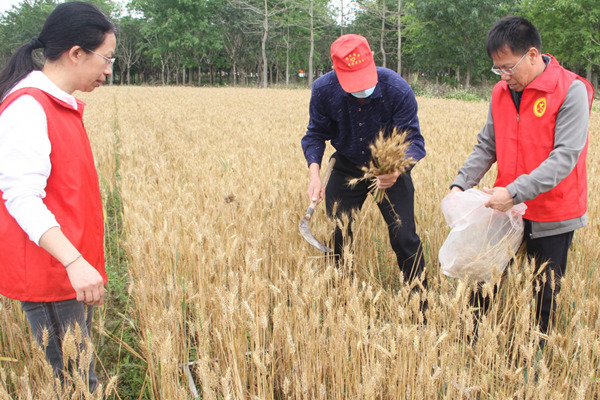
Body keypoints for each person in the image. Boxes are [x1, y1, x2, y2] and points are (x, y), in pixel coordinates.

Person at [450, 16, 594, 341]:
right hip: (507, 211)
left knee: (543, 294)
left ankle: (532, 363)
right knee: (483, 281)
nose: (503, 76)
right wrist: (460, 184)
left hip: (553, 213)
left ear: (532, 54)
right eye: (496, 69)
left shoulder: (570, 90)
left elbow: (564, 158)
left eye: (508, 67)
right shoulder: (501, 92)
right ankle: (470, 345)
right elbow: (488, 144)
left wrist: (514, 192)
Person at [0, 2, 116, 392]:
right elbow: (21, 196)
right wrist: (74, 260)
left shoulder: (57, 105)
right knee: (76, 383)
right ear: (76, 53)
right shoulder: (29, 107)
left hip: (63, 270)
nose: (108, 70)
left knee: (80, 378)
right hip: (49, 271)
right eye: (106, 58)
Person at [301, 34, 427, 290]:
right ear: (337, 72)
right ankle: (342, 296)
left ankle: (419, 301)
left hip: (389, 166)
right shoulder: (324, 90)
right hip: (346, 165)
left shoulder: (397, 88)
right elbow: (315, 134)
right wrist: (315, 176)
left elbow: (414, 141)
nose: (361, 89)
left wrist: (396, 169)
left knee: (404, 236)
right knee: (338, 235)